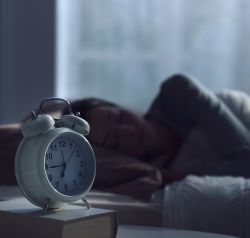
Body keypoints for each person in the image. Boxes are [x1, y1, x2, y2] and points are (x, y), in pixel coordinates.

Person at [1, 73, 250, 186]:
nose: (128, 130)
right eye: (115, 142)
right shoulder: (159, 173)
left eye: (117, 116)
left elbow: (245, 162)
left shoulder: (177, 93)